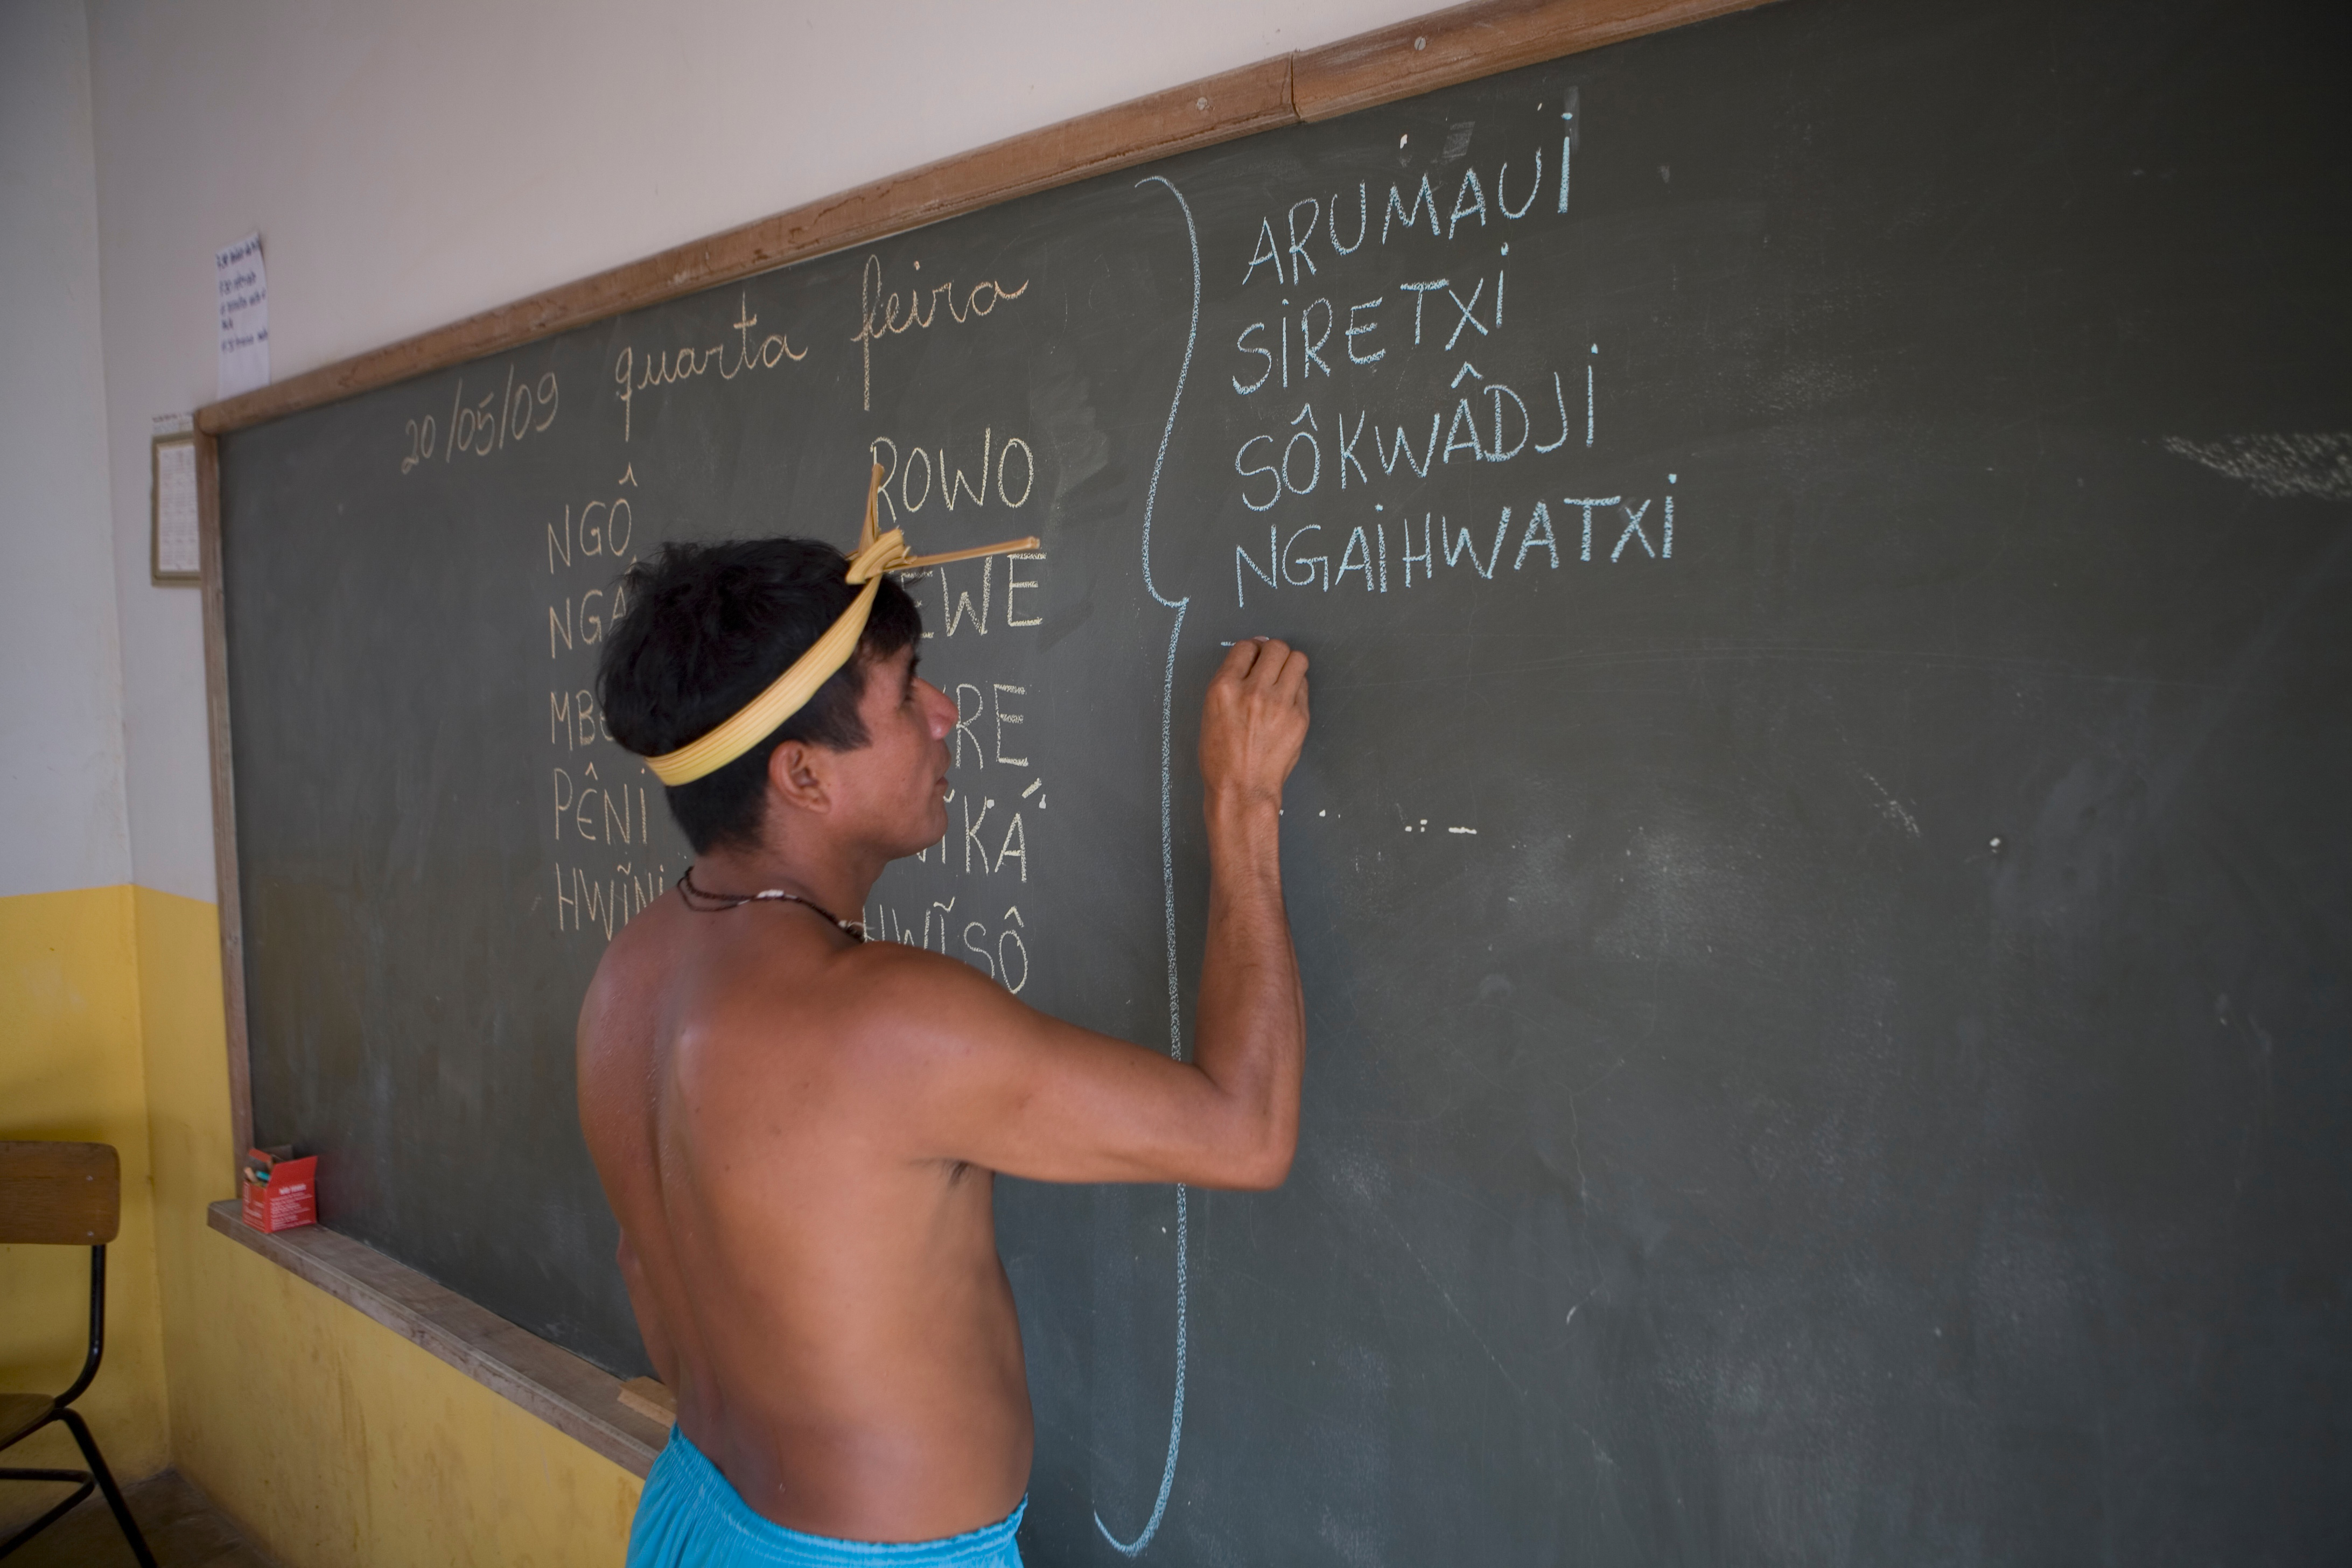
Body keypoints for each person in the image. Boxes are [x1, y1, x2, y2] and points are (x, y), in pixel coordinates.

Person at [577, 471, 1311, 1568]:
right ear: (803, 774)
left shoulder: (630, 976)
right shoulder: (886, 1022)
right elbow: (1243, 1131)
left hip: (694, 1516)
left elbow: (648, 1264)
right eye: (906, 691)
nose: (944, 713)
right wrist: (1242, 799)